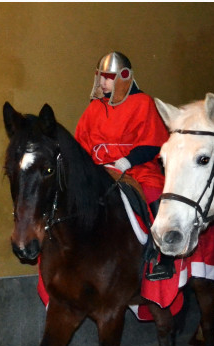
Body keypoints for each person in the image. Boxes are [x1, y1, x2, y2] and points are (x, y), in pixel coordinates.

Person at [74, 51, 173, 280]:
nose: (102, 83)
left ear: (124, 76)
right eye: (100, 76)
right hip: (100, 171)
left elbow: (152, 142)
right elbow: (81, 145)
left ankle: (164, 257)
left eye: (108, 77)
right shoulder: (94, 108)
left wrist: (127, 161)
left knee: (153, 193)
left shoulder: (143, 103)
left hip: (137, 170)